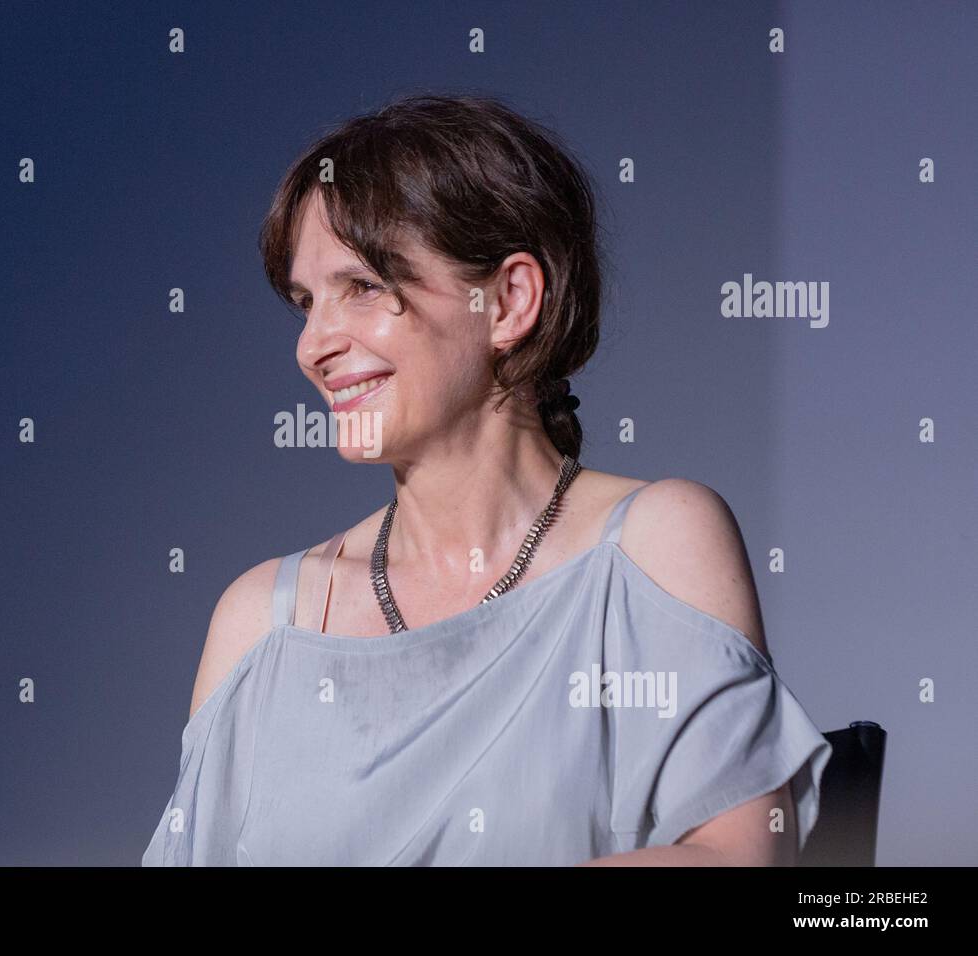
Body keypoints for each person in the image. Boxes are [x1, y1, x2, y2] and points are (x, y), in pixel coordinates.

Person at [142, 93, 831, 866]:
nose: (313, 346)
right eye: (306, 303)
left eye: (362, 288)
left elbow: (737, 858)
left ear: (508, 301)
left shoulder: (652, 545)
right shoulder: (262, 622)